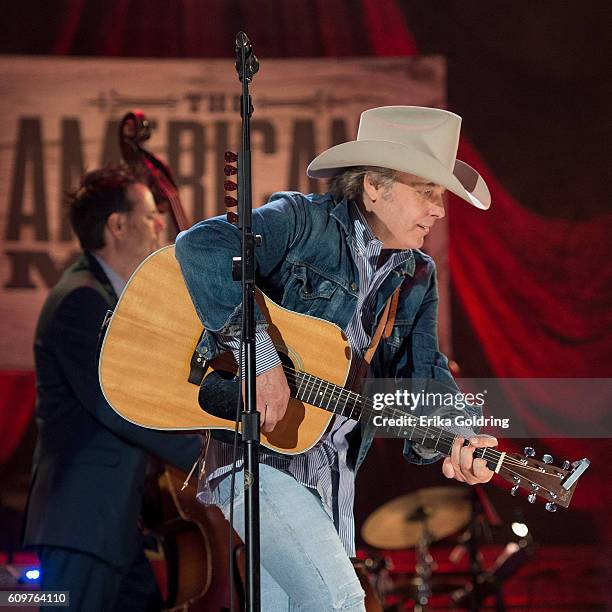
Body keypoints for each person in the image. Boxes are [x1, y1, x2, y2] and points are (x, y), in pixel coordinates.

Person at [175, 106, 498, 610]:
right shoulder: (304, 223)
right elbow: (203, 247)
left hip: (330, 482)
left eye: (442, 196)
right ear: (373, 185)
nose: (438, 209)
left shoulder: (417, 277)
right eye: (426, 191)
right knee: (342, 602)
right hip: (256, 460)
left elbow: (424, 375)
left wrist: (459, 432)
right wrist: (262, 359)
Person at [23, 165, 203, 611]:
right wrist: (206, 457)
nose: (162, 223)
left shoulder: (106, 295)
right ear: (117, 225)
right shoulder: (80, 300)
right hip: (82, 527)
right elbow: (118, 405)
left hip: (115, 528)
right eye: (149, 214)